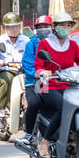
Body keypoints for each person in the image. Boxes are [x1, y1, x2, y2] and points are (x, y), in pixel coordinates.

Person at [28, 11, 79, 158]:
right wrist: (42, 72)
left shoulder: (72, 44)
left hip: (68, 85)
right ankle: (45, 141)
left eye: (68, 25)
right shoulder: (44, 44)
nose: (65, 28)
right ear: (54, 27)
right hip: (47, 84)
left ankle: (72, 143)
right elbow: (38, 65)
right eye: (62, 25)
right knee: (64, 106)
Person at [16, 14, 54, 146]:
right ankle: (29, 133)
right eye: (41, 27)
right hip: (36, 81)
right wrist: (40, 74)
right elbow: (27, 63)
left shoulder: (56, 43)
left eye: (46, 26)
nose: (43, 29)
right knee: (35, 103)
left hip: (53, 81)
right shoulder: (32, 43)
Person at [0, 12, 28, 116]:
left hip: (23, 70)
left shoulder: (26, 40)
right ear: (6, 28)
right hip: (5, 70)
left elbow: (33, 55)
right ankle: (1, 108)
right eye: (11, 27)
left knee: (36, 84)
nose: (14, 29)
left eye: (16, 26)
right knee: (7, 81)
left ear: (20, 27)